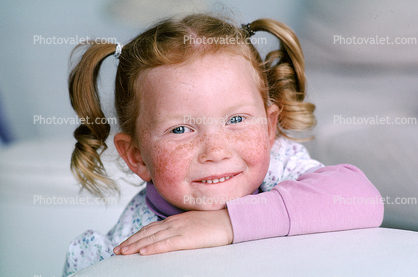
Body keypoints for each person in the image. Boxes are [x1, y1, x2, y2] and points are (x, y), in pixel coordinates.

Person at [63, 13, 384, 276]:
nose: (216, 151)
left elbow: (361, 199)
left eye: (236, 120)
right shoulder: (124, 251)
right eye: (180, 129)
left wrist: (229, 222)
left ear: (271, 127)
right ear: (137, 157)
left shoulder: (280, 166)